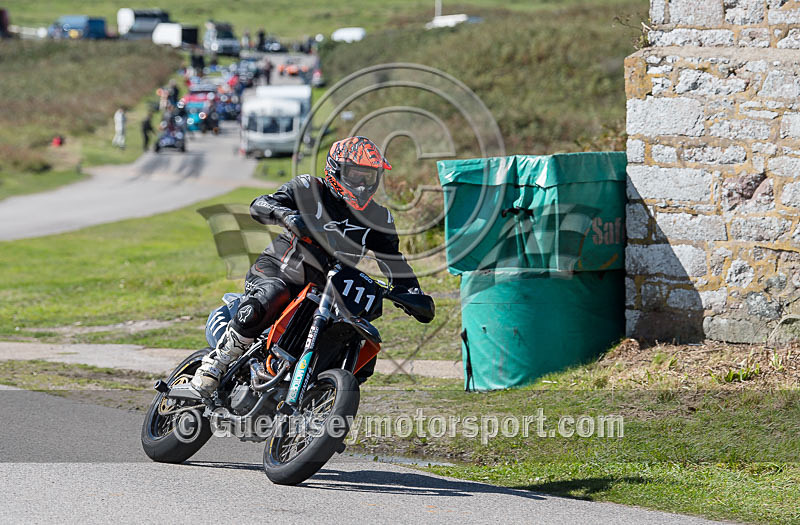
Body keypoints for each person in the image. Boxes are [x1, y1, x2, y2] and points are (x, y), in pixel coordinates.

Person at [190, 136, 429, 396]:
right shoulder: (309, 188)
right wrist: (287, 215)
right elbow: (260, 204)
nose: (362, 185)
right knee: (274, 293)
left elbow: (394, 262)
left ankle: (321, 407)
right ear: (335, 170)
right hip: (280, 269)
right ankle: (215, 364)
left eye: (369, 177)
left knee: (363, 340)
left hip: (330, 285)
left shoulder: (379, 217)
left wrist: (413, 294)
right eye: (356, 175)